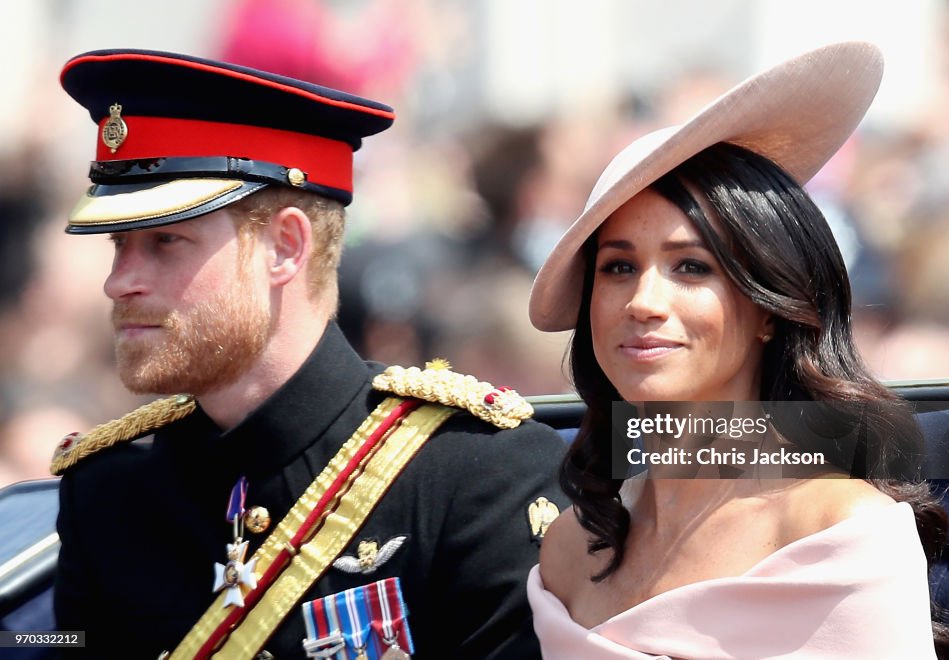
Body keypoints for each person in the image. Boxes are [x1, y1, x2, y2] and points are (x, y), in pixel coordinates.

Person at [49, 49, 568, 659]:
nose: (119, 282)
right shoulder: (107, 492)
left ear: (285, 247)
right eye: (119, 244)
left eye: (166, 241)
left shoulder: (476, 474)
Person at [525, 42, 949, 659]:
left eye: (691, 267)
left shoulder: (839, 531)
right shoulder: (568, 550)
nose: (643, 300)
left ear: (767, 308)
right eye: (618, 266)